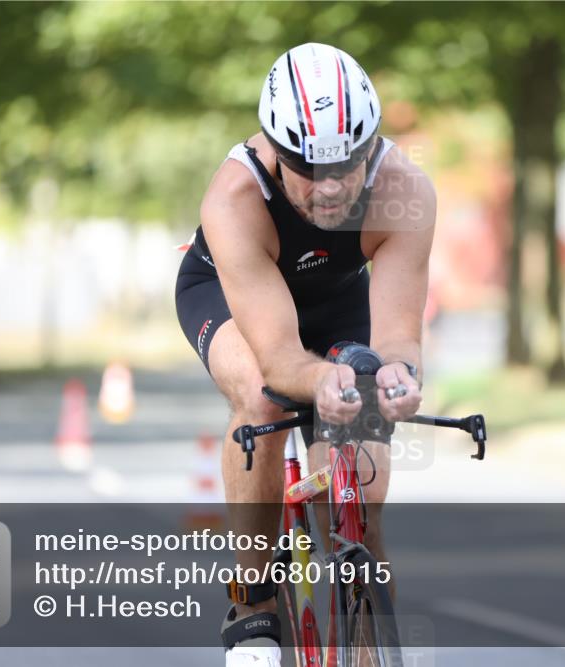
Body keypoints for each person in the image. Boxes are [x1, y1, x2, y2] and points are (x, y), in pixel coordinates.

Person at [175, 42, 435, 667]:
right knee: (263, 398)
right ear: (275, 150)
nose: (331, 186)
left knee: (361, 507)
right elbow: (279, 360)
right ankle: (253, 600)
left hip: (338, 300)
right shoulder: (236, 197)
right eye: (309, 169)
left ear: (371, 146)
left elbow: (398, 338)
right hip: (234, 299)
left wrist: (397, 377)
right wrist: (319, 381)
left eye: (347, 163)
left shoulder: (404, 190)